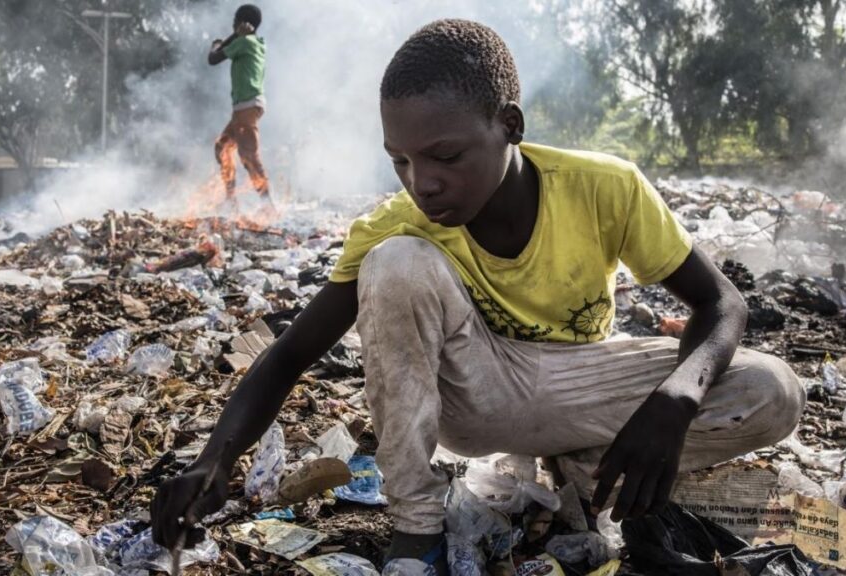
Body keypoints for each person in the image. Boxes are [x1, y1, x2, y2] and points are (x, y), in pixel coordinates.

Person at [152, 19, 804, 573]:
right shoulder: (397, 226)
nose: (422, 184)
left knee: (772, 390)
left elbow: (720, 303)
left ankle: (586, 473)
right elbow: (291, 353)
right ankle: (417, 532)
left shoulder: (605, 188)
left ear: (509, 125)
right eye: (400, 161)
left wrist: (676, 399)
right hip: (478, 395)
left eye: (444, 156)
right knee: (395, 264)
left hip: (582, 384)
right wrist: (214, 463)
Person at [208, 4, 274, 213]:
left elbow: (213, 58)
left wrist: (221, 41)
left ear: (240, 24)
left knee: (248, 155)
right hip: (244, 108)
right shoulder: (255, 41)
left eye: (234, 22)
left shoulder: (245, 42)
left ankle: (267, 204)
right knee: (223, 148)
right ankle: (231, 199)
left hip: (247, 106)